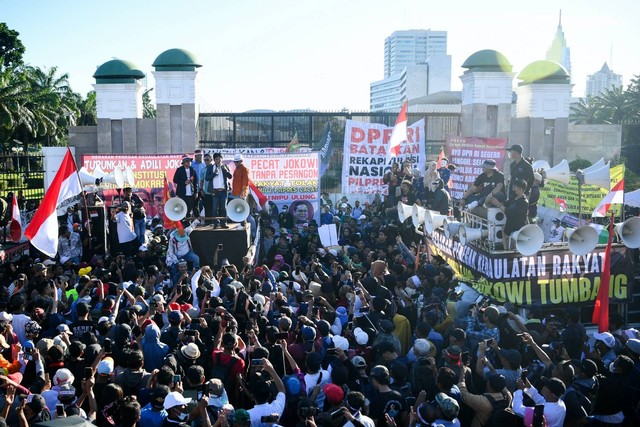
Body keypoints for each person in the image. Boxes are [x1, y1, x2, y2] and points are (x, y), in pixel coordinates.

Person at [487, 178, 529, 249]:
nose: (513, 189)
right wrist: (496, 202)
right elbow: (506, 204)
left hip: (518, 226)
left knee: (514, 243)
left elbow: (509, 212)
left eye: (515, 187)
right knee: (505, 234)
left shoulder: (524, 202)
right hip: (510, 224)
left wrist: (498, 204)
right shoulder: (514, 198)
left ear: (521, 188)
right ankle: (505, 249)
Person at [203, 152, 232, 229]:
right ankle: (215, 223)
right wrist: (214, 174)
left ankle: (223, 223)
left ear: (221, 159)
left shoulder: (225, 166)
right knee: (214, 208)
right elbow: (207, 178)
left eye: (219, 159)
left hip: (223, 191)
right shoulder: (210, 167)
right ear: (214, 160)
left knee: (223, 208)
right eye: (216, 159)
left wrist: (225, 170)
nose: (218, 160)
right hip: (214, 191)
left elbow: (230, 177)